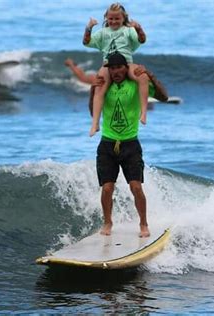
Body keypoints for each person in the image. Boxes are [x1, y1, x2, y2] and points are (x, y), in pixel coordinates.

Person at [93, 52, 151, 238]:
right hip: (107, 144)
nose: (116, 71)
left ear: (125, 68)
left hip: (130, 144)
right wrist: (92, 90)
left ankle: (143, 223)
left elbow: (147, 86)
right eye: (112, 68)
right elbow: (93, 107)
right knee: (107, 188)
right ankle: (108, 221)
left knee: (136, 187)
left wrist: (145, 73)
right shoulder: (105, 86)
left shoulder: (134, 84)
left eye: (119, 67)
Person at [83, 2, 148, 137]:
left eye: (117, 18)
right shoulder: (102, 33)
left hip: (127, 64)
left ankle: (144, 113)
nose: (113, 21)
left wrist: (139, 29)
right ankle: (95, 123)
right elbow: (86, 42)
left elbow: (142, 40)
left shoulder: (128, 30)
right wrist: (88, 28)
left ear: (123, 18)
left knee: (143, 77)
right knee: (99, 86)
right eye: (111, 18)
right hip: (108, 65)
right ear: (106, 18)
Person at [64, 58, 169, 108]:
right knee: (85, 78)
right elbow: (83, 78)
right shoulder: (104, 78)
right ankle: (71, 64)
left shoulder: (128, 75)